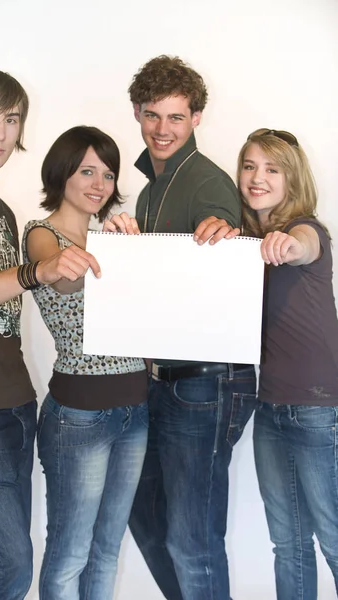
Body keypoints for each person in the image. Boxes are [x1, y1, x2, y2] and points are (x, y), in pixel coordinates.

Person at [0, 69, 100, 600]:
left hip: (14, 401)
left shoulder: (3, 211)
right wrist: (35, 271)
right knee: (8, 567)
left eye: (11, 119)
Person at [104, 55, 257, 600]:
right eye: (152, 116)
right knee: (144, 513)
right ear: (138, 114)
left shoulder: (207, 183)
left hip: (206, 382)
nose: (162, 130)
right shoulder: (149, 191)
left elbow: (227, 266)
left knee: (193, 540)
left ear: (195, 118)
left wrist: (229, 232)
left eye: (175, 117)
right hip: (160, 379)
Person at [22, 125, 149, 600]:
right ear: (62, 173)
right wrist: (102, 251)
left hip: (135, 410)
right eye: (87, 171)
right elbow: (63, 280)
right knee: (70, 554)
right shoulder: (41, 234)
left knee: (107, 550)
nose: (100, 184)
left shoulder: (113, 238)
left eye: (109, 174)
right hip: (80, 417)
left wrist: (130, 250)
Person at [237, 128, 338, 599]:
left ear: (291, 179)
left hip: (317, 409)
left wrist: (289, 245)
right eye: (250, 166)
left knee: (335, 540)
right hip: (270, 408)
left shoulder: (306, 230)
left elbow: (305, 245)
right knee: (288, 543)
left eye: (272, 169)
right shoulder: (246, 244)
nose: (257, 177)